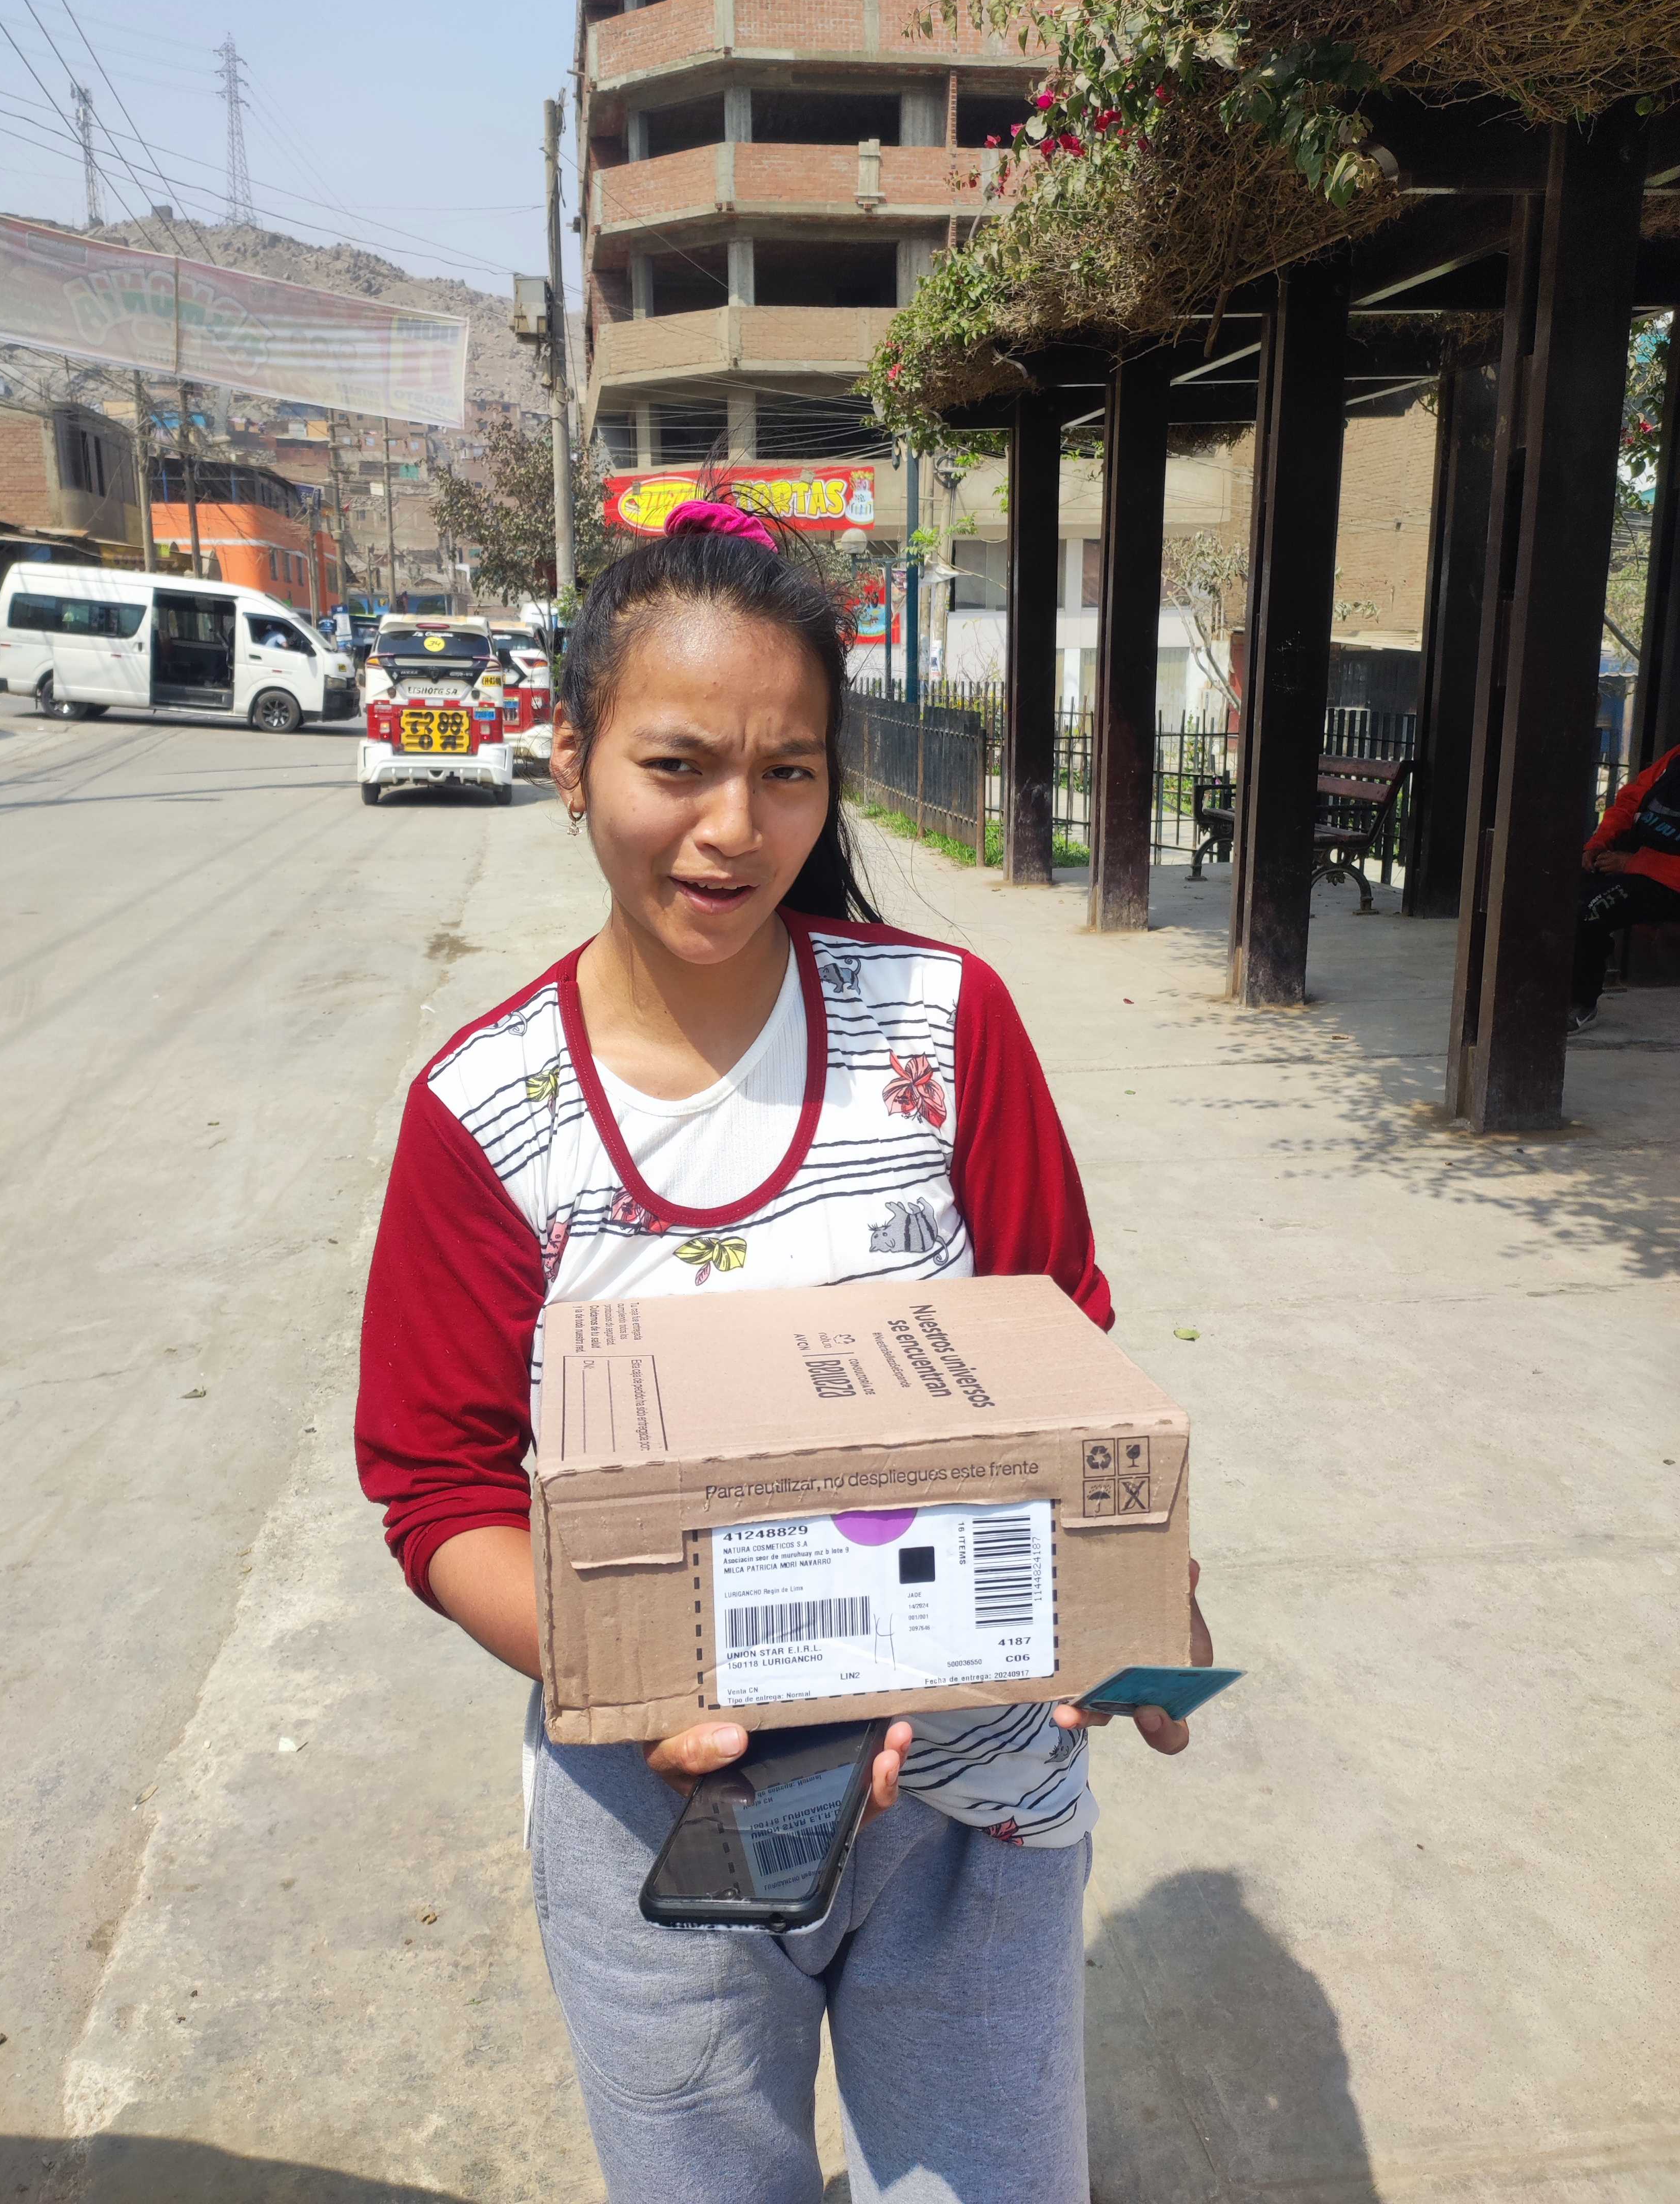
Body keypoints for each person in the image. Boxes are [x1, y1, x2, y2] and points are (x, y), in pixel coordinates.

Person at [355, 499, 1211, 2204]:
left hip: (974, 1798)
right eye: (676, 766)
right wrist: (642, 1670)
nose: (734, 830)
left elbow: (1064, 1342)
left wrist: (1135, 1600)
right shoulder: (487, 1111)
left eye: (789, 773)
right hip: (660, 1819)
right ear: (571, 757)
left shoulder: (944, 1026)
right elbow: (438, 1489)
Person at [1571, 738, 1680, 1031]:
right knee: (1555, 888)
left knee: (1591, 909)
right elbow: (1631, 800)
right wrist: (1598, 843)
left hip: (1668, 881)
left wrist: (1635, 864)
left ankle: (1579, 1003)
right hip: (1639, 862)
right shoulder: (1676, 757)